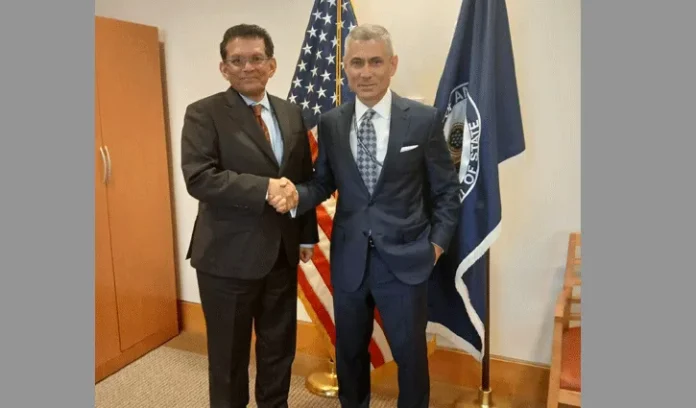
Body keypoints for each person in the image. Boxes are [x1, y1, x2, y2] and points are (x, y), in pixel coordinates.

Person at [269, 24, 461, 408]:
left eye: (376, 62)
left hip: (407, 261)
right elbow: (323, 182)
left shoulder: (423, 120)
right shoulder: (332, 122)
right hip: (350, 259)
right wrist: (294, 196)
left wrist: (436, 246)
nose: (366, 72)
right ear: (345, 67)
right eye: (357, 63)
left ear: (393, 65)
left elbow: (446, 192)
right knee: (350, 354)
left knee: (410, 357)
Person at [180, 24, 318, 408]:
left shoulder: (291, 113)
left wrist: (306, 234)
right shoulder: (204, 113)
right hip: (226, 259)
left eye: (256, 58)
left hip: (281, 255)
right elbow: (200, 178)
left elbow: (302, 177)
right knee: (229, 359)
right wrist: (264, 188)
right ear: (223, 68)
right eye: (236, 60)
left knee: (278, 351)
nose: (247, 67)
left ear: (272, 65)